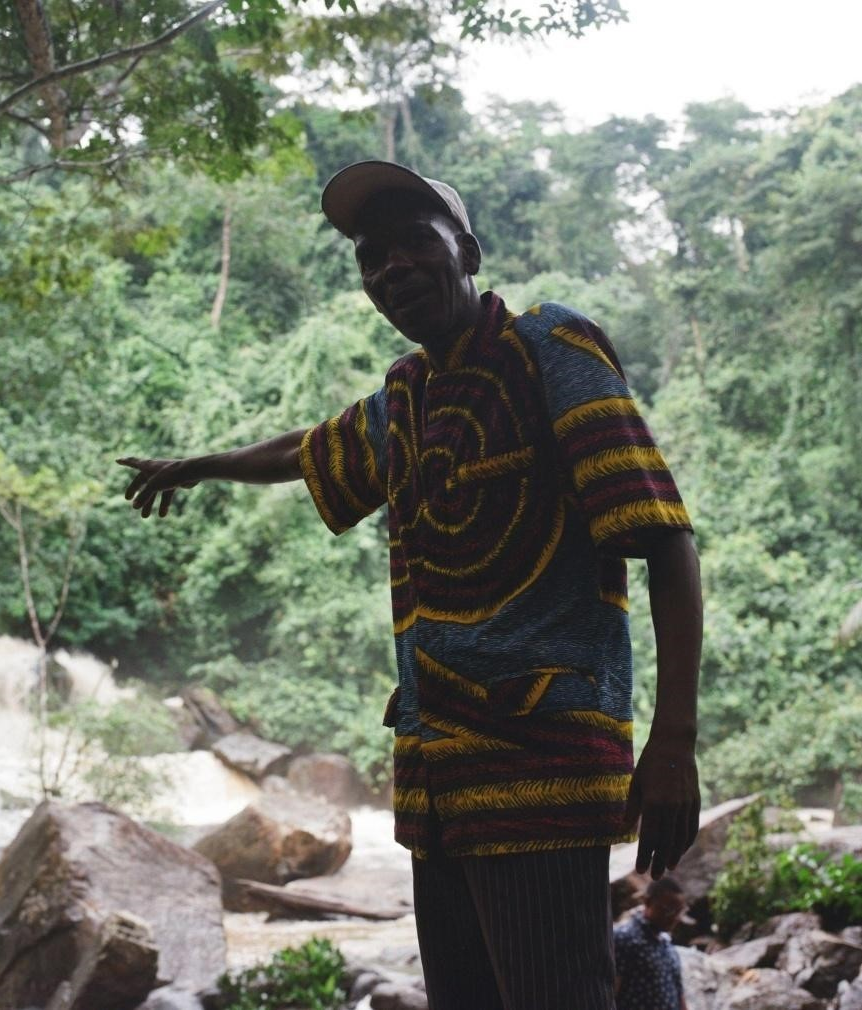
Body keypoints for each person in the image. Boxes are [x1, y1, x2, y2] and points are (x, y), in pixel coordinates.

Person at [119, 160, 702, 1010]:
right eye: (370, 256)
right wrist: (197, 466)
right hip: (435, 785)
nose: (390, 267)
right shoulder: (408, 397)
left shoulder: (548, 350)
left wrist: (673, 741)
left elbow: (666, 540)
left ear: (466, 251)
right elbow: (304, 450)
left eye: (412, 244)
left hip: (538, 766)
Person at [614, 877, 689, 1010]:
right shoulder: (624, 938)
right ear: (648, 902)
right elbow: (611, 992)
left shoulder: (667, 945)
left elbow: (679, 993)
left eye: (679, 911)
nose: (674, 918)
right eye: (668, 910)